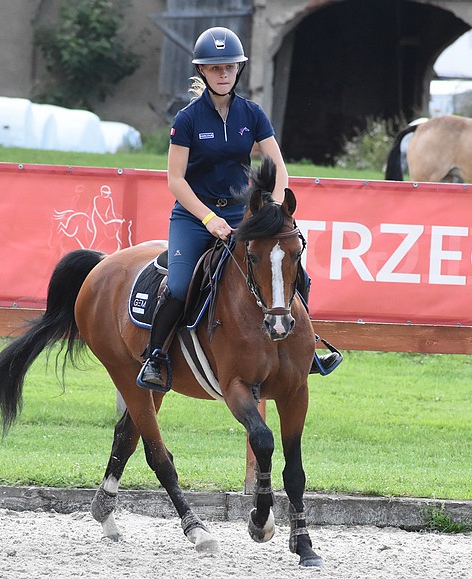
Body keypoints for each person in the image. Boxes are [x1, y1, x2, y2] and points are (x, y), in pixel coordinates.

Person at [138, 26, 342, 392]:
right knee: (181, 284)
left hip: (241, 215)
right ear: (202, 70)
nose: (223, 74)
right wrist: (208, 218)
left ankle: (307, 351)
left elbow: (278, 167)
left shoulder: (253, 114)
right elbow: (175, 181)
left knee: (299, 276)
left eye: (229, 68)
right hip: (194, 217)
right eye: (215, 68)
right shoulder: (186, 120)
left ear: (238, 70)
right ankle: (156, 357)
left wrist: (276, 208)